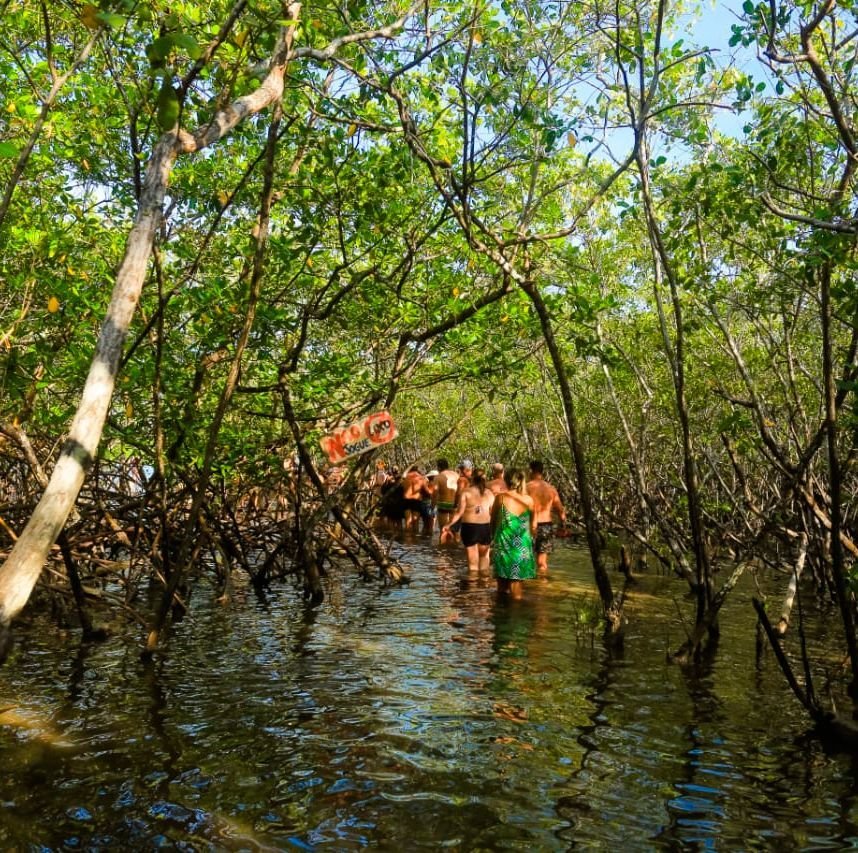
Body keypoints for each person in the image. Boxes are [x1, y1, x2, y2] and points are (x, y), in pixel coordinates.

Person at [491, 468, 537, 599]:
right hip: (522, 546)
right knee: (516, 590)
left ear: (506, 480)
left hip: (503, 545)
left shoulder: (500, 498)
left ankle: (502, 616)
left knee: (501, 589)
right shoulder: (529, 500)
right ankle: (517, 616)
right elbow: (534, 525)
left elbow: (492, 521)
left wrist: (492, 539)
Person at [441, 467, 495, 572]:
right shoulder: (489, 493)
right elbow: (493, 513)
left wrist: (448, 525)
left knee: (472, 564)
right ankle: (484, 585)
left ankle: (473, 587)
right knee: (484, 558)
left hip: (470, 528)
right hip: (485, 527)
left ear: (472, 478)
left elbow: (459, 513)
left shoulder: (466, 492)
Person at [526, 460, 567, 573]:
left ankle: (526, 588)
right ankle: (542, 587)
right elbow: (560, 510)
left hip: (528, 526)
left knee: (524, 560)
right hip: (546, 527)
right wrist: (563, 526)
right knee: (542, 563)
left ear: (531, 471)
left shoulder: (526, 487)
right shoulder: (551, 489)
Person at [433, 458, 459, 542]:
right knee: (455, 531)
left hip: (443, 504)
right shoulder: (456, 475)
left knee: (443, 530)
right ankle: (454, 549)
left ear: (439, 467)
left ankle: (443, 552)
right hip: (455, 504)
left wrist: (432, 505)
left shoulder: (438, 477)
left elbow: (435, 493)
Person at [402, 465, 427, 530]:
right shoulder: (421, 478)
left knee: (408, 521)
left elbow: (403, 487)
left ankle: (408, 539)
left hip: (407, 500)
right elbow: (425, 490)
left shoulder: (406, 477)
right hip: (417, 500)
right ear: (417, 470)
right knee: (416, 522)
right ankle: (415, 539)